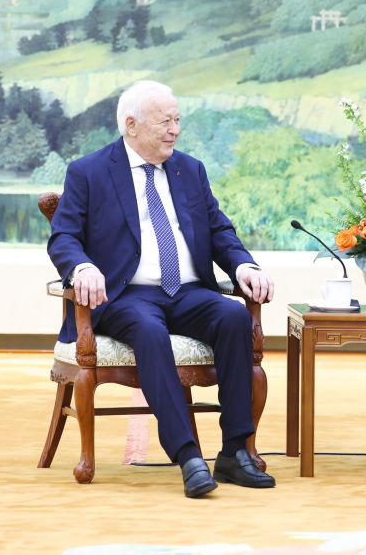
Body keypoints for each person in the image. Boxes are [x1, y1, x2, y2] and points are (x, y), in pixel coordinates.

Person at [48, 80, 276, 498]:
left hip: (187, 291)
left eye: (177, 120)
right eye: (164, 122)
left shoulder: (190, 169)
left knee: (233, 315)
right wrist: (82, 267)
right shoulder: (89, 171)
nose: (175, 130)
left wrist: (244, 264)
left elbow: (219, 230)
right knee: (148, 329)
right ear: (131, 125)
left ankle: (234, 451)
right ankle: (188, 456)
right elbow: (63, 236)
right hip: (124, 295)